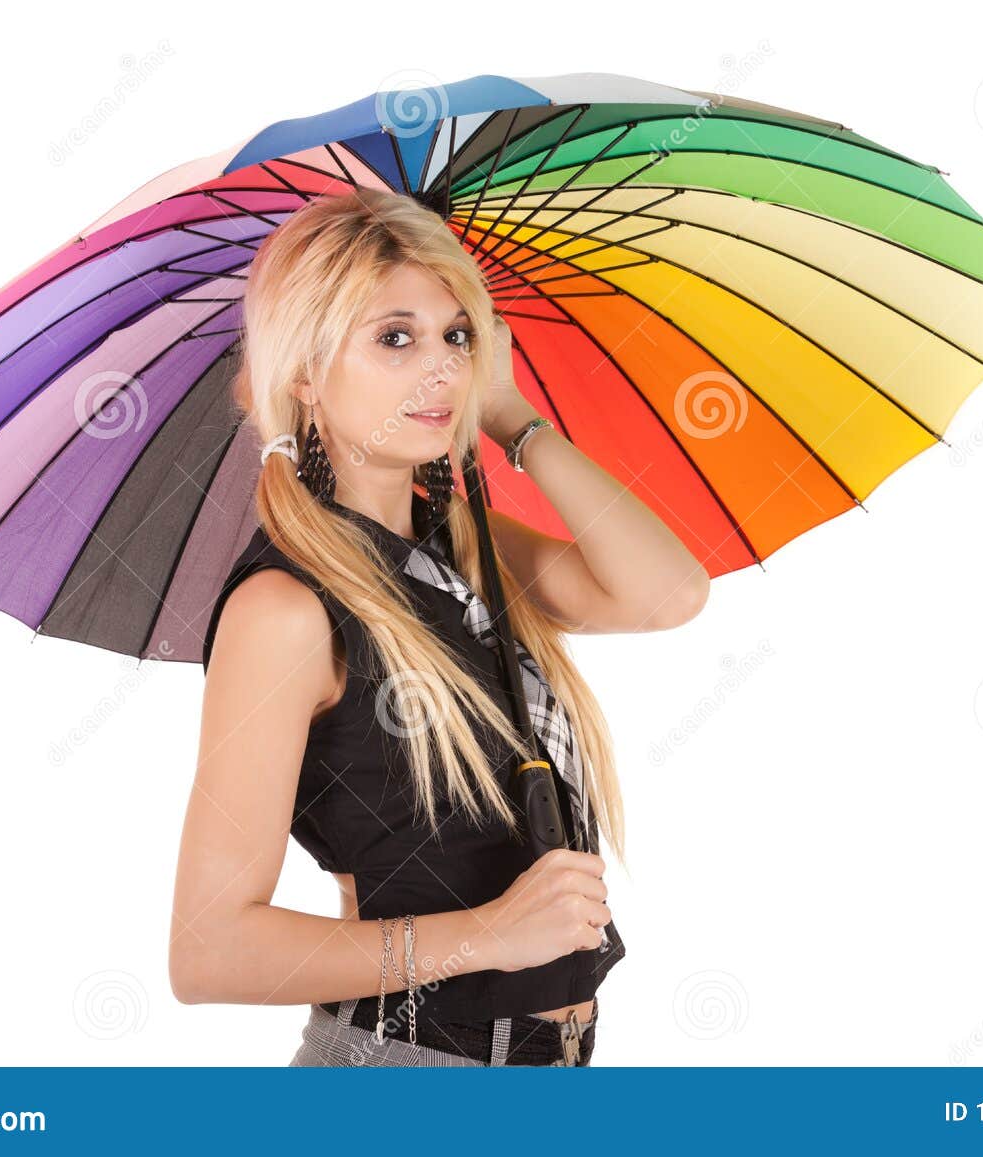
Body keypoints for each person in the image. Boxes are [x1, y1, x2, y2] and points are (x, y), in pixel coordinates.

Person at [169, 187, 710, 1065]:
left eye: (458, 335)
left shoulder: (463, 547)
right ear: (305, 371)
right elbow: (208, 951)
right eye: (395, 336)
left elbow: (668, 594)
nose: (442, 368)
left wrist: (508, 416)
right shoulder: (284, 608)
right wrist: (488, 934)